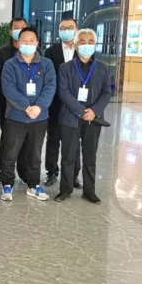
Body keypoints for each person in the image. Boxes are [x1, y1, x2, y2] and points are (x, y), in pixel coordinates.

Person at [55, 29, 111, 204]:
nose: (86, 45)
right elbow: (63, 92)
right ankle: (65, 189)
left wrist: (94, 111)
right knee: (68, 156)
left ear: (95, 44)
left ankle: (89, 191)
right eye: (82, 42)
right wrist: (81, 111)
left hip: (93, 119)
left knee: (90, 156)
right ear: (76, 45)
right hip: (70, 118)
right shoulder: (65, 68)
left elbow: (107, 92)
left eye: (90, 42)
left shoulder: (103, 68)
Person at [0, 27, 56, 201]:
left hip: (39, 117)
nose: (28, 43)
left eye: (32, 40)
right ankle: (7, 184)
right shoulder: (10, 64)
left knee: (34, 153)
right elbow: (8, 88)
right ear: (18, 42)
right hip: (16, 116)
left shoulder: (46, 64)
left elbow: (50, 87)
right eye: (24, 40)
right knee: (10, 152)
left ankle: (33, 185)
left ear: (37, 42)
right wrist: (26, 107)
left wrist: (39, 107)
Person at [44, 18, 82, 188]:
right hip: (55, 103)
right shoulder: (51, 51)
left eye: (70, 27)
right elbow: (47, 76)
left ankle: (73, 175)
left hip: (76, 104)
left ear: (76, 29)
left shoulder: (82, 50)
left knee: (74, 142)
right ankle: (52, 172)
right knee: (53, 139)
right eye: (63, 28)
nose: (66, 30)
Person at [0, 17, 29, 184]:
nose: (19, 30)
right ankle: (4, 171)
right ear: (10, 31)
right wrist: (14, 96)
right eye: (16, 27)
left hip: (30, 104)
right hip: (7, 103)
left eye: (23, 27)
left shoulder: (36, 53)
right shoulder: (2, 54)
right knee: (8, 137)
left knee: (27, 137)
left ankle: (24, 171)